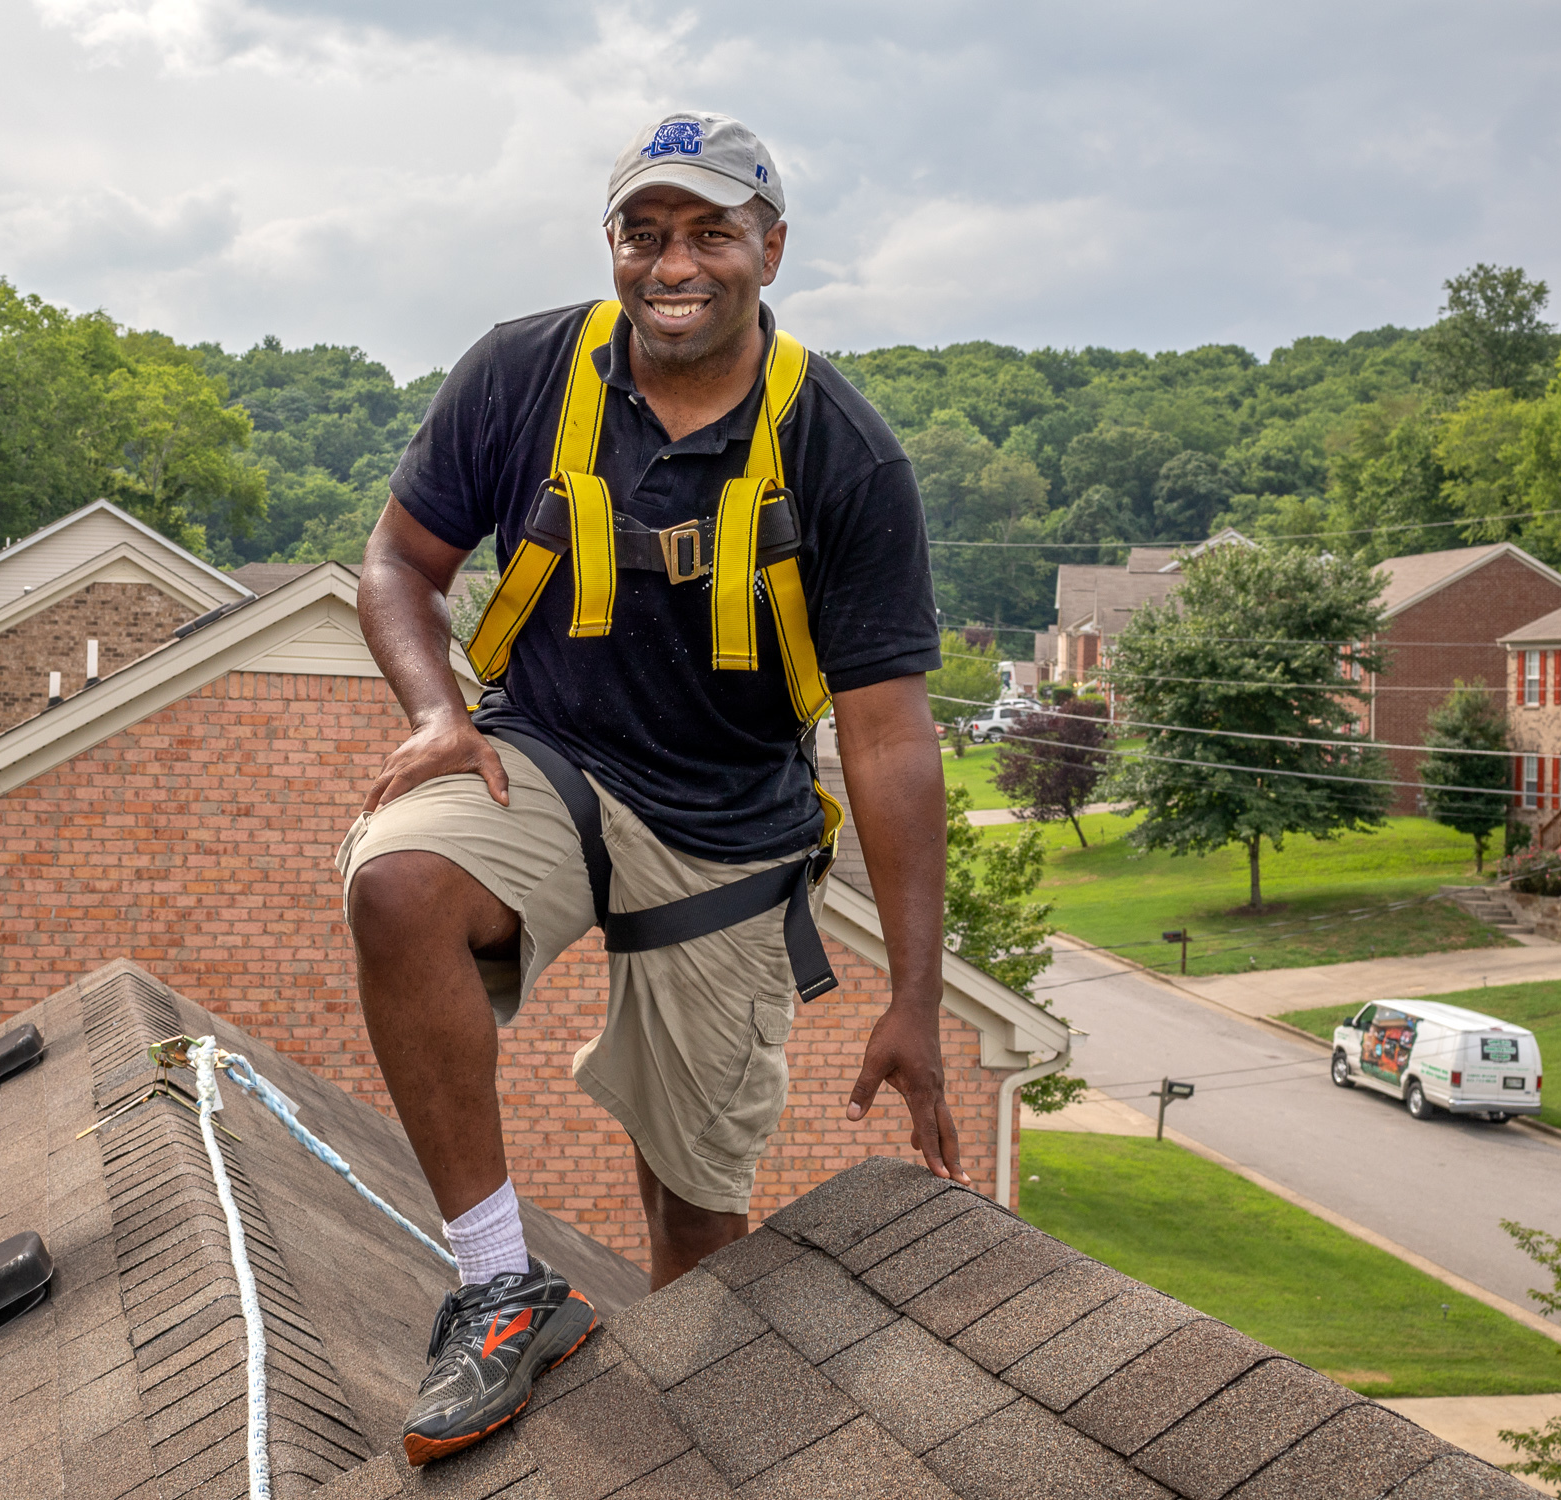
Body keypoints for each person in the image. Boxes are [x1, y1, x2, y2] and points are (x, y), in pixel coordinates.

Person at [340, 109, 962, 1467]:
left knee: (692, 1208)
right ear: (613, 247)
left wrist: (915, 995)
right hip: (545, 755)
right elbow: (396, 564)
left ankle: (687, 1454)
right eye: (645, 231)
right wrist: (439, 715)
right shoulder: (520, 375)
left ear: (771, 249)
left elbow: (891, 736)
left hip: (726, 829)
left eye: (709, 232)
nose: (674, 262)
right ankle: (501, 1288)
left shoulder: (845, 454)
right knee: (398, 884)